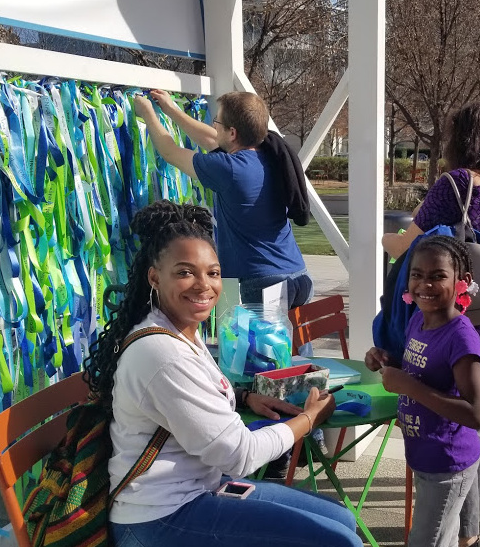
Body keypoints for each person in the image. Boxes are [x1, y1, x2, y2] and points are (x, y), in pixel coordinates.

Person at [83, 199, 362, 547]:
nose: (204, 285)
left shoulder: (178, 330)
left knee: (343, 519)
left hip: (202, 490)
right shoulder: (161, 353)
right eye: (185, 272)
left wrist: (244, 397)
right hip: (159, 517)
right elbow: (241, 457)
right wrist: (309, 419)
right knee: (337, 541)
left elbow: (191, 397)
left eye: (212, 272)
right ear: (154, 277)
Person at [381, 103, 480, 547]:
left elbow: (404, 247)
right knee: (478, 428)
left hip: (466, 332)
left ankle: (467, 535)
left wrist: (384, 237)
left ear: (459, 141)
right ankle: (469, 531)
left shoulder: (457, 184)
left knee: (464, 426)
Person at [133, 90, 314, 310]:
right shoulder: (269, 155)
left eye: (217, 121)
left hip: (264, 285)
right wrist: (170, 109)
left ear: (232, 133)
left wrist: (147, 112)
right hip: (299, 276)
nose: (214, 125)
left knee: (257, 346)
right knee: (294, 344)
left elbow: (170, 152)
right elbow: (211, 138)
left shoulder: (229, 169)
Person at [366, 236, 480, 547]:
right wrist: (385, 360)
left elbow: (476, 414)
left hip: (448, 463)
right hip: (424, 455)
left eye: (438, 276)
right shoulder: (419, 319)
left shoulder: (461, 338)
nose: (425, 285)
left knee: (425, 541)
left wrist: (409, 387)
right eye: (417, 275)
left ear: (463, 281)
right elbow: (420, 370)